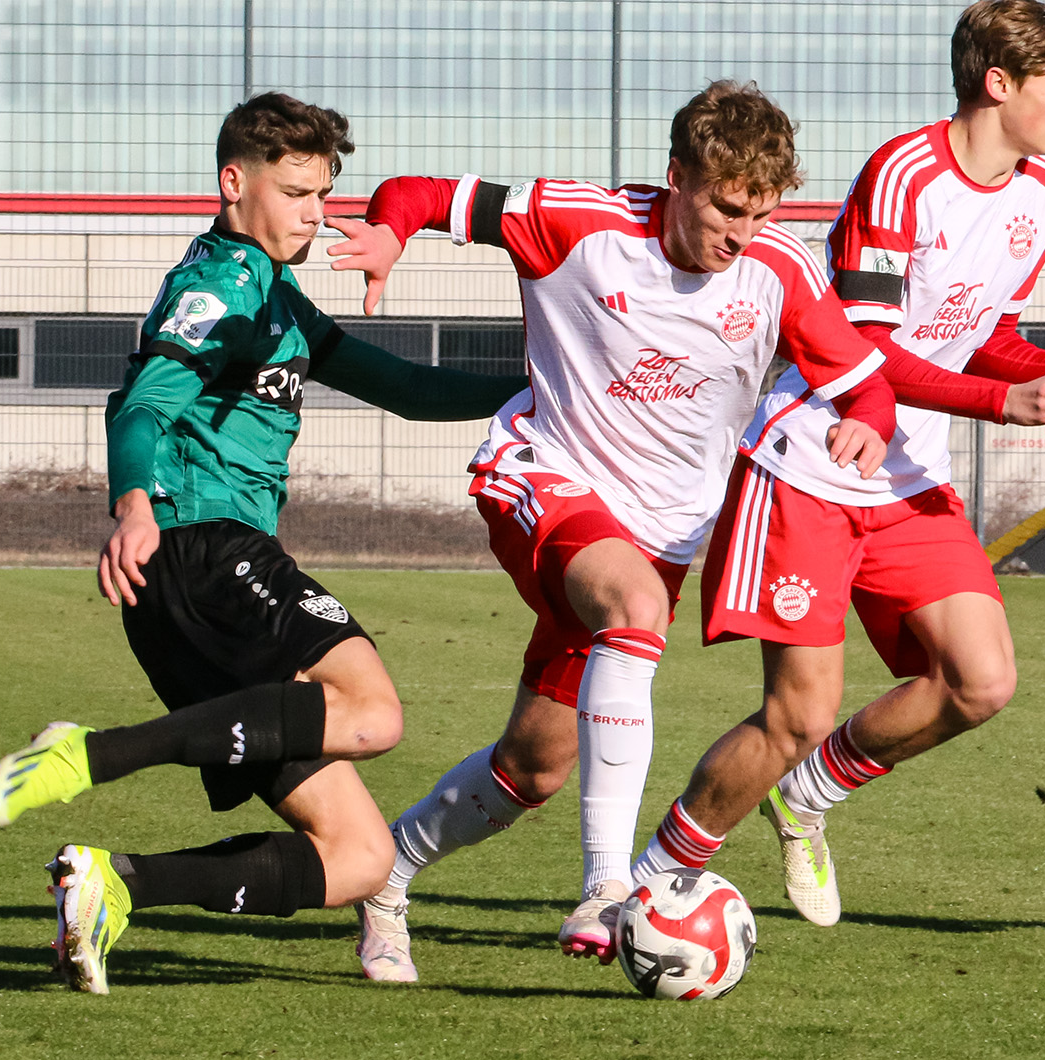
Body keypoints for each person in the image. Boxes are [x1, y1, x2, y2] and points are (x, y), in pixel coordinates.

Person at [325, 80, 907, 981]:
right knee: (631, 607)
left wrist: (866, 418)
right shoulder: (575, 220)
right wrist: (388, 232)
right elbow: (421, 194)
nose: (739, 231)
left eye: (759, 211)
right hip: (542, 478)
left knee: (534, 767)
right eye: (722, 205)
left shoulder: (779, 272)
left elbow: (864, 380)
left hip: (659, 537)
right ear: (676, 176)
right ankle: (608, 888)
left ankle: (388, 876)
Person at [625, 0, 1045, 925]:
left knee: (982, 679)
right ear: (998, 83)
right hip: (808, 463)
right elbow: (864, 353)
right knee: (795, 716)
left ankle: (807, 798)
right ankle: (655, 879)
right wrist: (1008, 400)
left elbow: (985, 333)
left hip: (908, 478)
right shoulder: (902, 173)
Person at [0, 92, 527, 994]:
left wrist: (548, 385)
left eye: (325, 195)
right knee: (374, 712)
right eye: (298, 191)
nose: (318, 213)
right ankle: (87, 754)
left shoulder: (279, 296)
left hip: (193, 591)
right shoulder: (217, 285)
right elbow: (149, 400)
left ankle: (115, 884)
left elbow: (406, 387)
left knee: (357, 855)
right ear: (235, 184)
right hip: (202, 550)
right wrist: (134, 504)